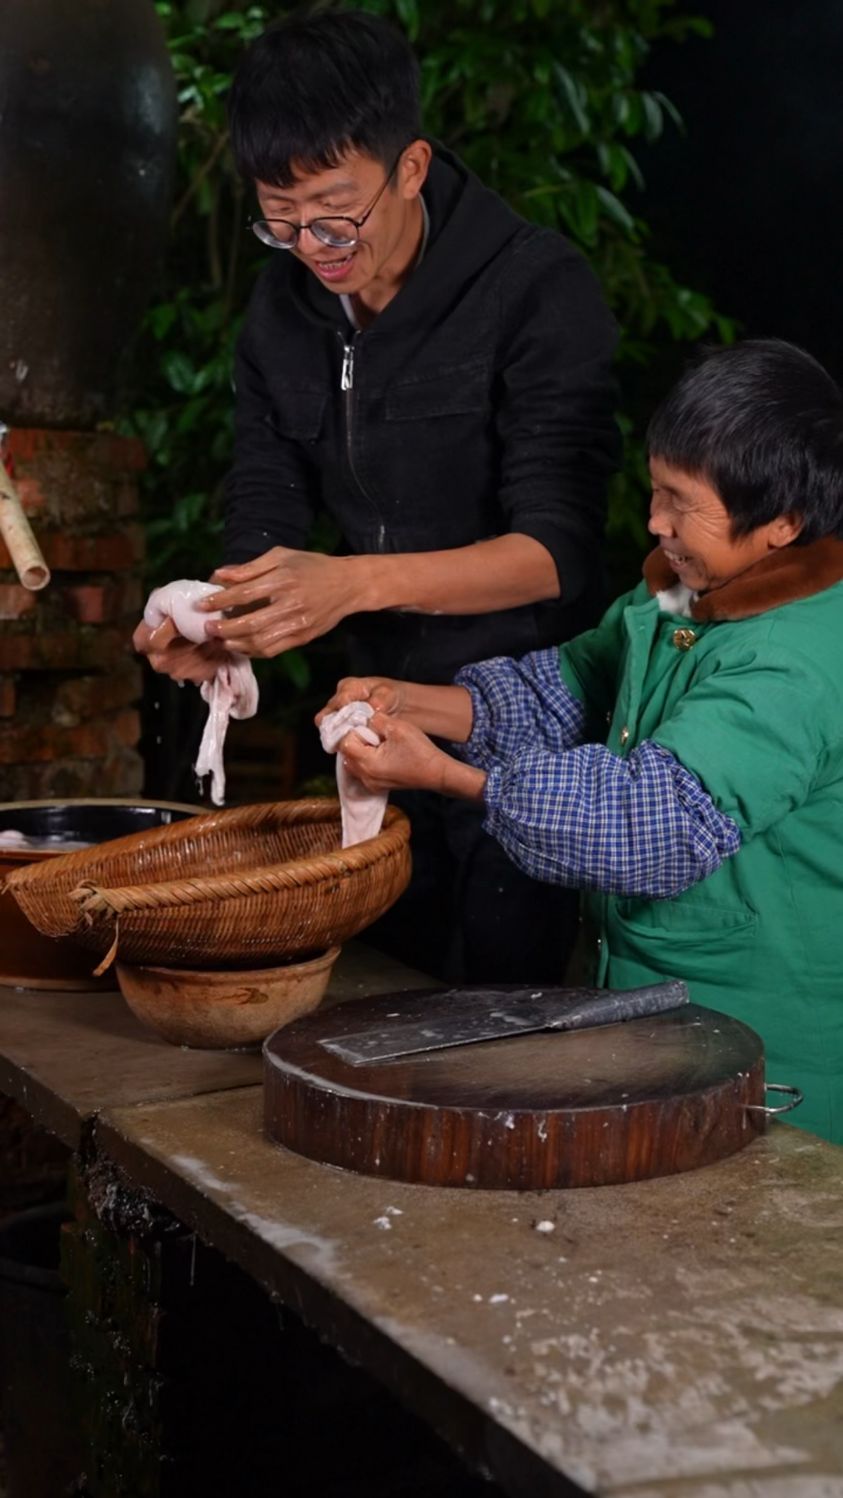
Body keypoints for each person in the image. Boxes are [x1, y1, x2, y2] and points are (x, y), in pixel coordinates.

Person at [132, 9, 619, 984]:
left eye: (334, 211)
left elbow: (555, 553)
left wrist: (352, 583)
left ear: (410, 167)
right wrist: (225, 621)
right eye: (279, 217)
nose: (312, 244)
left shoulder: (534, 289)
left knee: (506, 1010)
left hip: (520, 724)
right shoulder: (283, 309)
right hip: (369, 717)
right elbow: (266, 505)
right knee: (384, 992)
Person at [318, 339, 843, 1144]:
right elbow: (572, 686)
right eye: (655, 489)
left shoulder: (792, 664)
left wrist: (449, 779)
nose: (654, 522)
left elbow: (647, 822)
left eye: (681, 503)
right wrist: (408, 703)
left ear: (782, 524)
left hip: (767, 1054)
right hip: (655, 1018)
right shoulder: (682, 601)